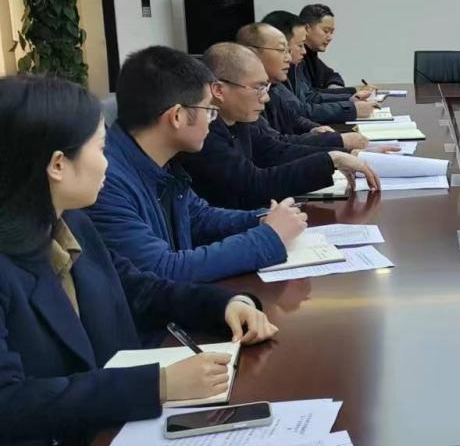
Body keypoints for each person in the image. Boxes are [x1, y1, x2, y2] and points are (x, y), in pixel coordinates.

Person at [0, 74, 278, 446]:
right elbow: (9, 402)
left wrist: (225, 303)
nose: (108, 163)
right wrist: (157, 384)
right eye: (99, 148)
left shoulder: (72, 223)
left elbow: (138, 289)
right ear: (57, 165)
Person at [87, 46, 307, 282]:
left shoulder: (158, 159)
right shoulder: (105, 182)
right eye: (209, 110)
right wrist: (268, 237)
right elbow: (162, 269)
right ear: (177, 116)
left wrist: (262, 218)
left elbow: (199, 217)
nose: (212, 120)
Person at [180, 43, 381, 209]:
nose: (266, 97)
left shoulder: (239, 119)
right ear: (219, 90)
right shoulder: (202, 133)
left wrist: (342, 154)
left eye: (266, 87)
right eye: (258, 88)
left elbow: (276, 151)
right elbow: (253, 185)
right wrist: (331, 159)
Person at [237, 22, 363, 150]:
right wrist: (336, 145)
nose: (288, 58)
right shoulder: (244, 95)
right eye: (281, 50)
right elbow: (272, 147)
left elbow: (292, 118)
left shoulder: (273, 86)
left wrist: (314, 128)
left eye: (288, 51)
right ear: (252, 53)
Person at [263, 11, 374, 125]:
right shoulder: (270, 81)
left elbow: (308, 97)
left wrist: (351, 98)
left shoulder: (296, 65)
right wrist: (350, 109)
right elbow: (300, 112)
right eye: (325, 31)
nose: (304, 51)